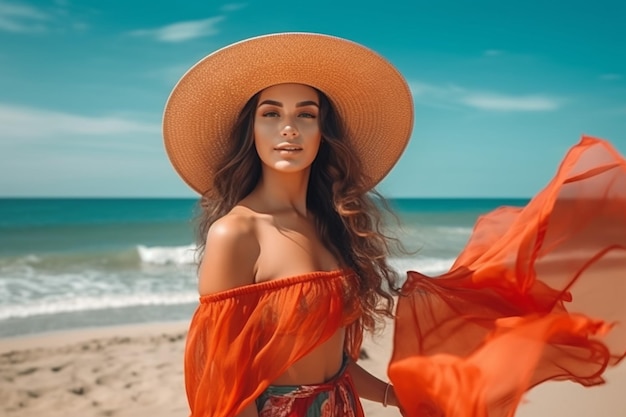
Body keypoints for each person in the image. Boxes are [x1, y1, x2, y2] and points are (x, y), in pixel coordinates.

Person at [163, 32, 626, 417]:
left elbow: (331, 363)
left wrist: (388, 394)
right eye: (271, 114)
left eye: (306, 114)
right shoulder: (236, 233)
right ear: (252, 131)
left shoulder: (332, 227)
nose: (289, 128)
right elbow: (222, 385)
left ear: (324, 133)